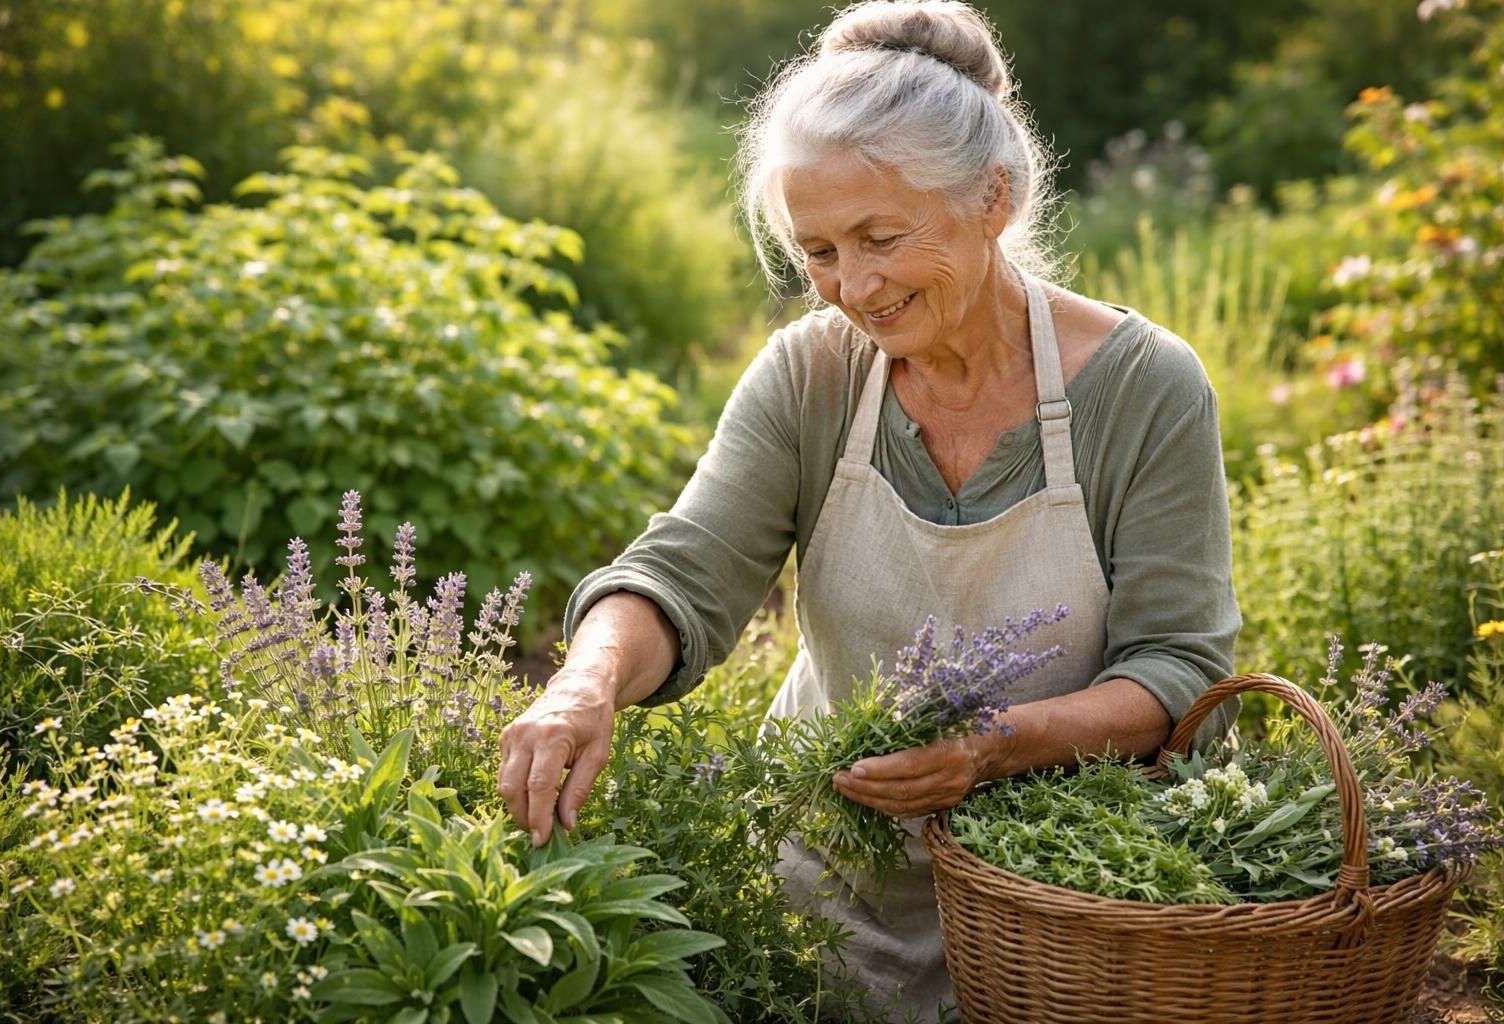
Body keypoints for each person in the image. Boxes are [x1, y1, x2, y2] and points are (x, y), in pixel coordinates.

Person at [497, 0, 1240, 1018]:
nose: (853, 286)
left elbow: (1181, 672)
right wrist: (583, 684)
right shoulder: (812, 375)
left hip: (1069, 911)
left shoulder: (1144, 387)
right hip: (816, 901)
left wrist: (989, 745)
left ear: (994, 197)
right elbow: (683, 574)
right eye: (819, 252)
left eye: (880, 237)